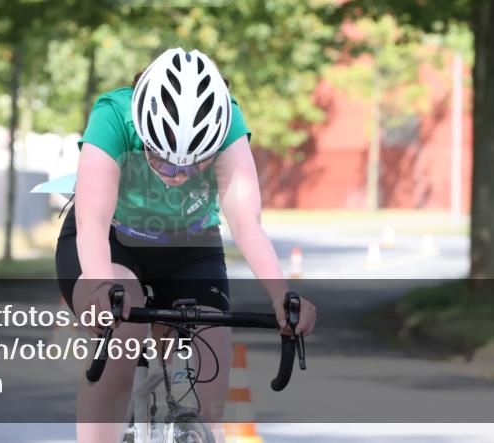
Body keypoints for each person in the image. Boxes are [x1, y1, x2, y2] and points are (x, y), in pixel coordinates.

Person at [55, 47, 316, 443]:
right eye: (161, 159)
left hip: (190, 245)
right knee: (122, 339)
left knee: (213, 364)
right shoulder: (112, 115)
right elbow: (93, 222)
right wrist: (98, 286)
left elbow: (247, 224)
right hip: (112, 241)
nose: (177, 174)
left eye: (195, 162)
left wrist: (281, 296)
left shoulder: (228, 126)